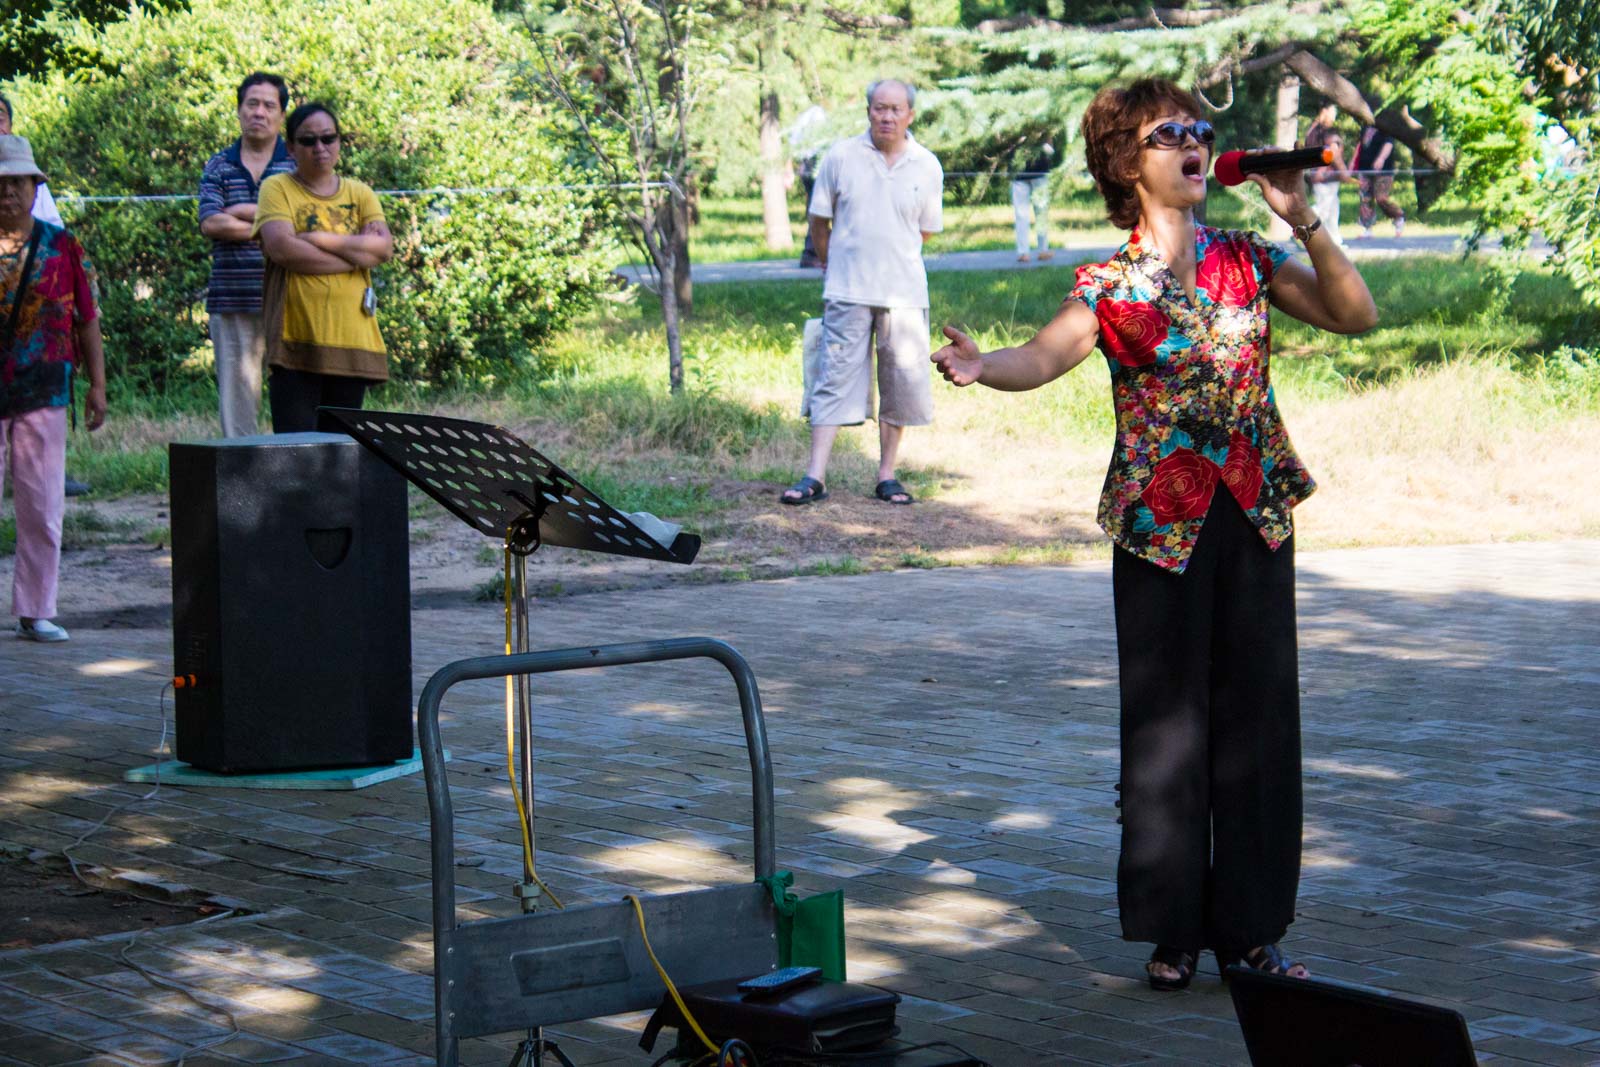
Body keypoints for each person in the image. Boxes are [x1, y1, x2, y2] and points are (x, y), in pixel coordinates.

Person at [931, 79, 1377, 990]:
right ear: (1125, 163)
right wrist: (983, 366)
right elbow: (1042, 355)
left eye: (1199, 129)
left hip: (1253, 512)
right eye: (1168, 132)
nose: (1192, 143)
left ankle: (1250, 930)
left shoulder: (1248, 257)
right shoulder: (1108, 285)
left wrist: (1303, 219)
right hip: (1157, 527)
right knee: (1168, 732)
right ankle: (1174, 930)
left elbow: (1355, 314)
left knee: (1258, 725)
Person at [781, 78, 942, 507]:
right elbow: (819, 222)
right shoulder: (840, 157)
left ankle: (887, 475)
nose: (886, 116)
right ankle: (815, 475)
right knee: (832, 378)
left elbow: (924, 231)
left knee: (899, 384)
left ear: (910, 115)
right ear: (868, 111)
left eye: (895, 109)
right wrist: (835, 264)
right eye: (879, 108)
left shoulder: (927, 165)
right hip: (847, 290)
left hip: (904, 294)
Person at [0, 136, 107, 643]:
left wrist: (98, 386)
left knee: (42, 505)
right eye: (0, 184)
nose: (7, 193)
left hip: (45, 386)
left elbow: (88, 318)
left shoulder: (64, 246)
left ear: (35, 186)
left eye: (17, 183)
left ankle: (36, 609)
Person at [252, 102, 393, 433]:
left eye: (328, 138)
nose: (320, 147)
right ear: (291, 147)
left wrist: (316, 237)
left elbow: (383, 248)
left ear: (339, 142)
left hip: (352, 342)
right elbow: (283, 249)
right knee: (295, 450)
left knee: (341, 452)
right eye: (308, 140)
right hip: (295, 343)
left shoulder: (361, 193)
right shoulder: (276, 188)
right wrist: (356, 255)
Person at [198, 72, 296, 438]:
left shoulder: (297, 166)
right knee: (237, 407)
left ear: (281, 115)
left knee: (294, 401)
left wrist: (240, 212)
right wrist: (273, 226)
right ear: (239, 110)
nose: (259, 112)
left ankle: (293, 468)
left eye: (269, 105)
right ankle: (241, 472)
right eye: (252, 103)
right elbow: (210, 222)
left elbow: (303, 228)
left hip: (292, 300)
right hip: (233, 297)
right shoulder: (219, 165)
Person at [1302, 104, 1352, 247]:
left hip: (1321, 175)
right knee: (1323, 208)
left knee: (1332, 208)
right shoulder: (1325, 132)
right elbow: (1333, 152)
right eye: (1333, 112)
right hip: (1325, 176)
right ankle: (1302, 229)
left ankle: (1335, 241)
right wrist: (1342, 171)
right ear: (1324, 111)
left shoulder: (1312, 129)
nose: (1334, 116)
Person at [1009, 131, 1058, 263]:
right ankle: (1023, 252)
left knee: (1041, 212)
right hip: (1019, 174)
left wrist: (1042, 141)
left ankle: (1043, 250)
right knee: (1021, 214)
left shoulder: (1043, 125)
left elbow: (1050, 148)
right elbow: (1008, 142)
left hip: (1040, 172)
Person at [1354, 123, 1404, 238]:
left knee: (1381, 198)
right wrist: (1353, 161)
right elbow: (1361, 145)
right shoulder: (1365, 126)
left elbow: (1389, 143)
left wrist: (1381, 158)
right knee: (1365, 198)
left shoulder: (1385, 125)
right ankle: (1367, 228)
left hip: (1383, 170)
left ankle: (1398, 216)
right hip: (1364, 168)